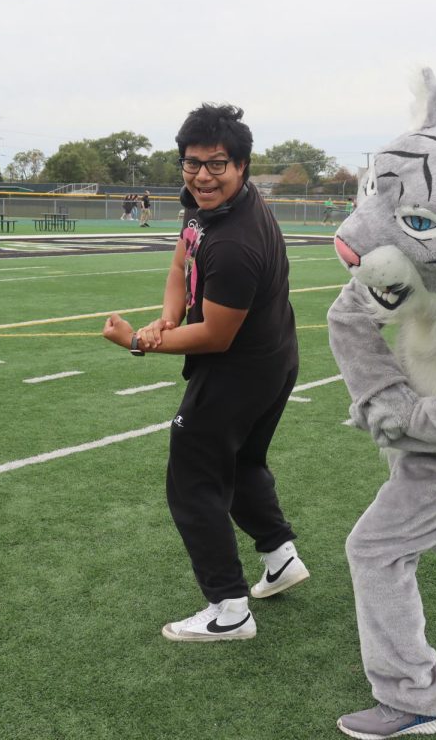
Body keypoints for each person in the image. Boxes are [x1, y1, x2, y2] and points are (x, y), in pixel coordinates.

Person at [101, 102, 308, 643]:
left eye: (217, 164)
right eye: (193, 164)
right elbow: (179, 263)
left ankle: (228, 609)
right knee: (240, 464)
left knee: (193, 480)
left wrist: (138, 342)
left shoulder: (237, 242)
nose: (202, 175)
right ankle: (280, 558)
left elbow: (217, 335)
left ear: (241, 165)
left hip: (242, 370)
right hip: (271, 358)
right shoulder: (203, 206)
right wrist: (167, 317)